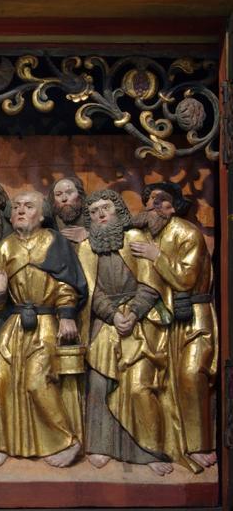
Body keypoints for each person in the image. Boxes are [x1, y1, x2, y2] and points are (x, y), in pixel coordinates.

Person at [0, 190, 86, 469]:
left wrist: (66, 315)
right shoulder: (6, 246)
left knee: (37, 383)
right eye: (17, 206)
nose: (21, 211)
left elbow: (67, 283)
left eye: (28, 206)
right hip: (14, 325)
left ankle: (67, 441)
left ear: (42, 215)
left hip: (46, 322)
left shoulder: (55, 242)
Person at [76, 189, 174, 476]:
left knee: (139, 387)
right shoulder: (86, 248)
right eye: (94, 212)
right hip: (104, 322)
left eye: (105, 208)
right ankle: (101, 445)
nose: (100, 215)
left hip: (140, 322)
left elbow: (151, 282)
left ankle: (149, 450)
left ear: (118, 211)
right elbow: (90, 290)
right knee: (98, 384)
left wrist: (132, 313)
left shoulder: (135, 238)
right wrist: (112, 314)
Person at [131, 188, 218, 472]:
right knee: (166, 382)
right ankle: (173, 445)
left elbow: (185, 279)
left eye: (160, 202)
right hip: (165, 320)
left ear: (173, 207)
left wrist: (157, 256)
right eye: (148, 203)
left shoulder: (187, 233)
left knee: (191, 376)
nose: (152, 208)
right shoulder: (148, 235)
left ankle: (200, 445)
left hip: (193, 317)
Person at [47, 176, 88, 244]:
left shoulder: (92, 213)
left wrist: (88, 234)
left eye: (69, 192)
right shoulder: (51, 218)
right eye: (58, 194)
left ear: (80, 195)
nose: (64, 198)